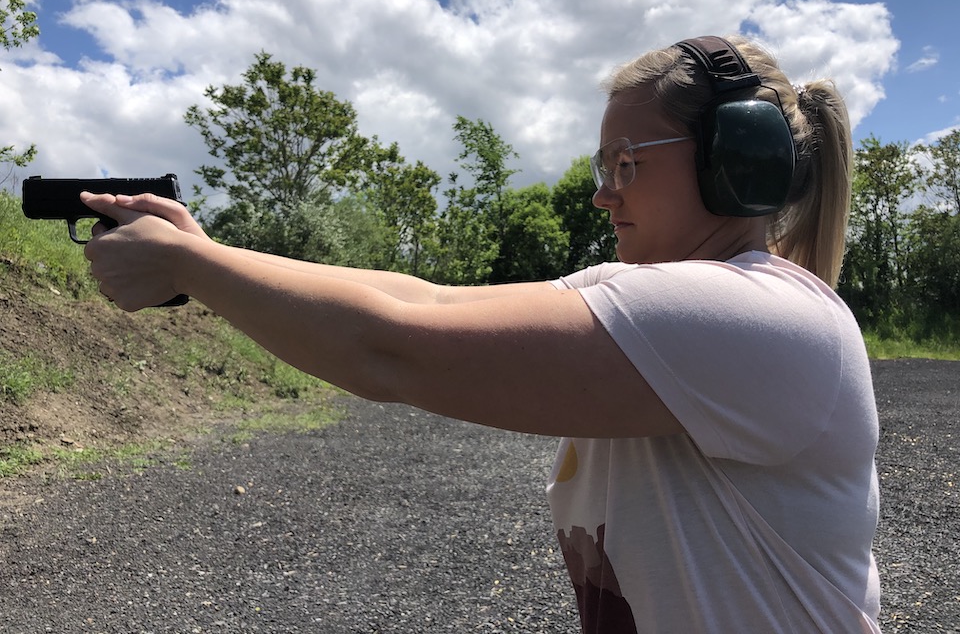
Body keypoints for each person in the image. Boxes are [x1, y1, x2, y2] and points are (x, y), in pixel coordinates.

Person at [81, 34, 881, 633]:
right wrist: (205, 252)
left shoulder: (757, 319)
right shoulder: (659, 300)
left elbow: (395, 348)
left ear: (735, 162)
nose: (605, 194)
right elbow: (428, 299)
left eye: (626, 163)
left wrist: (193, 270)